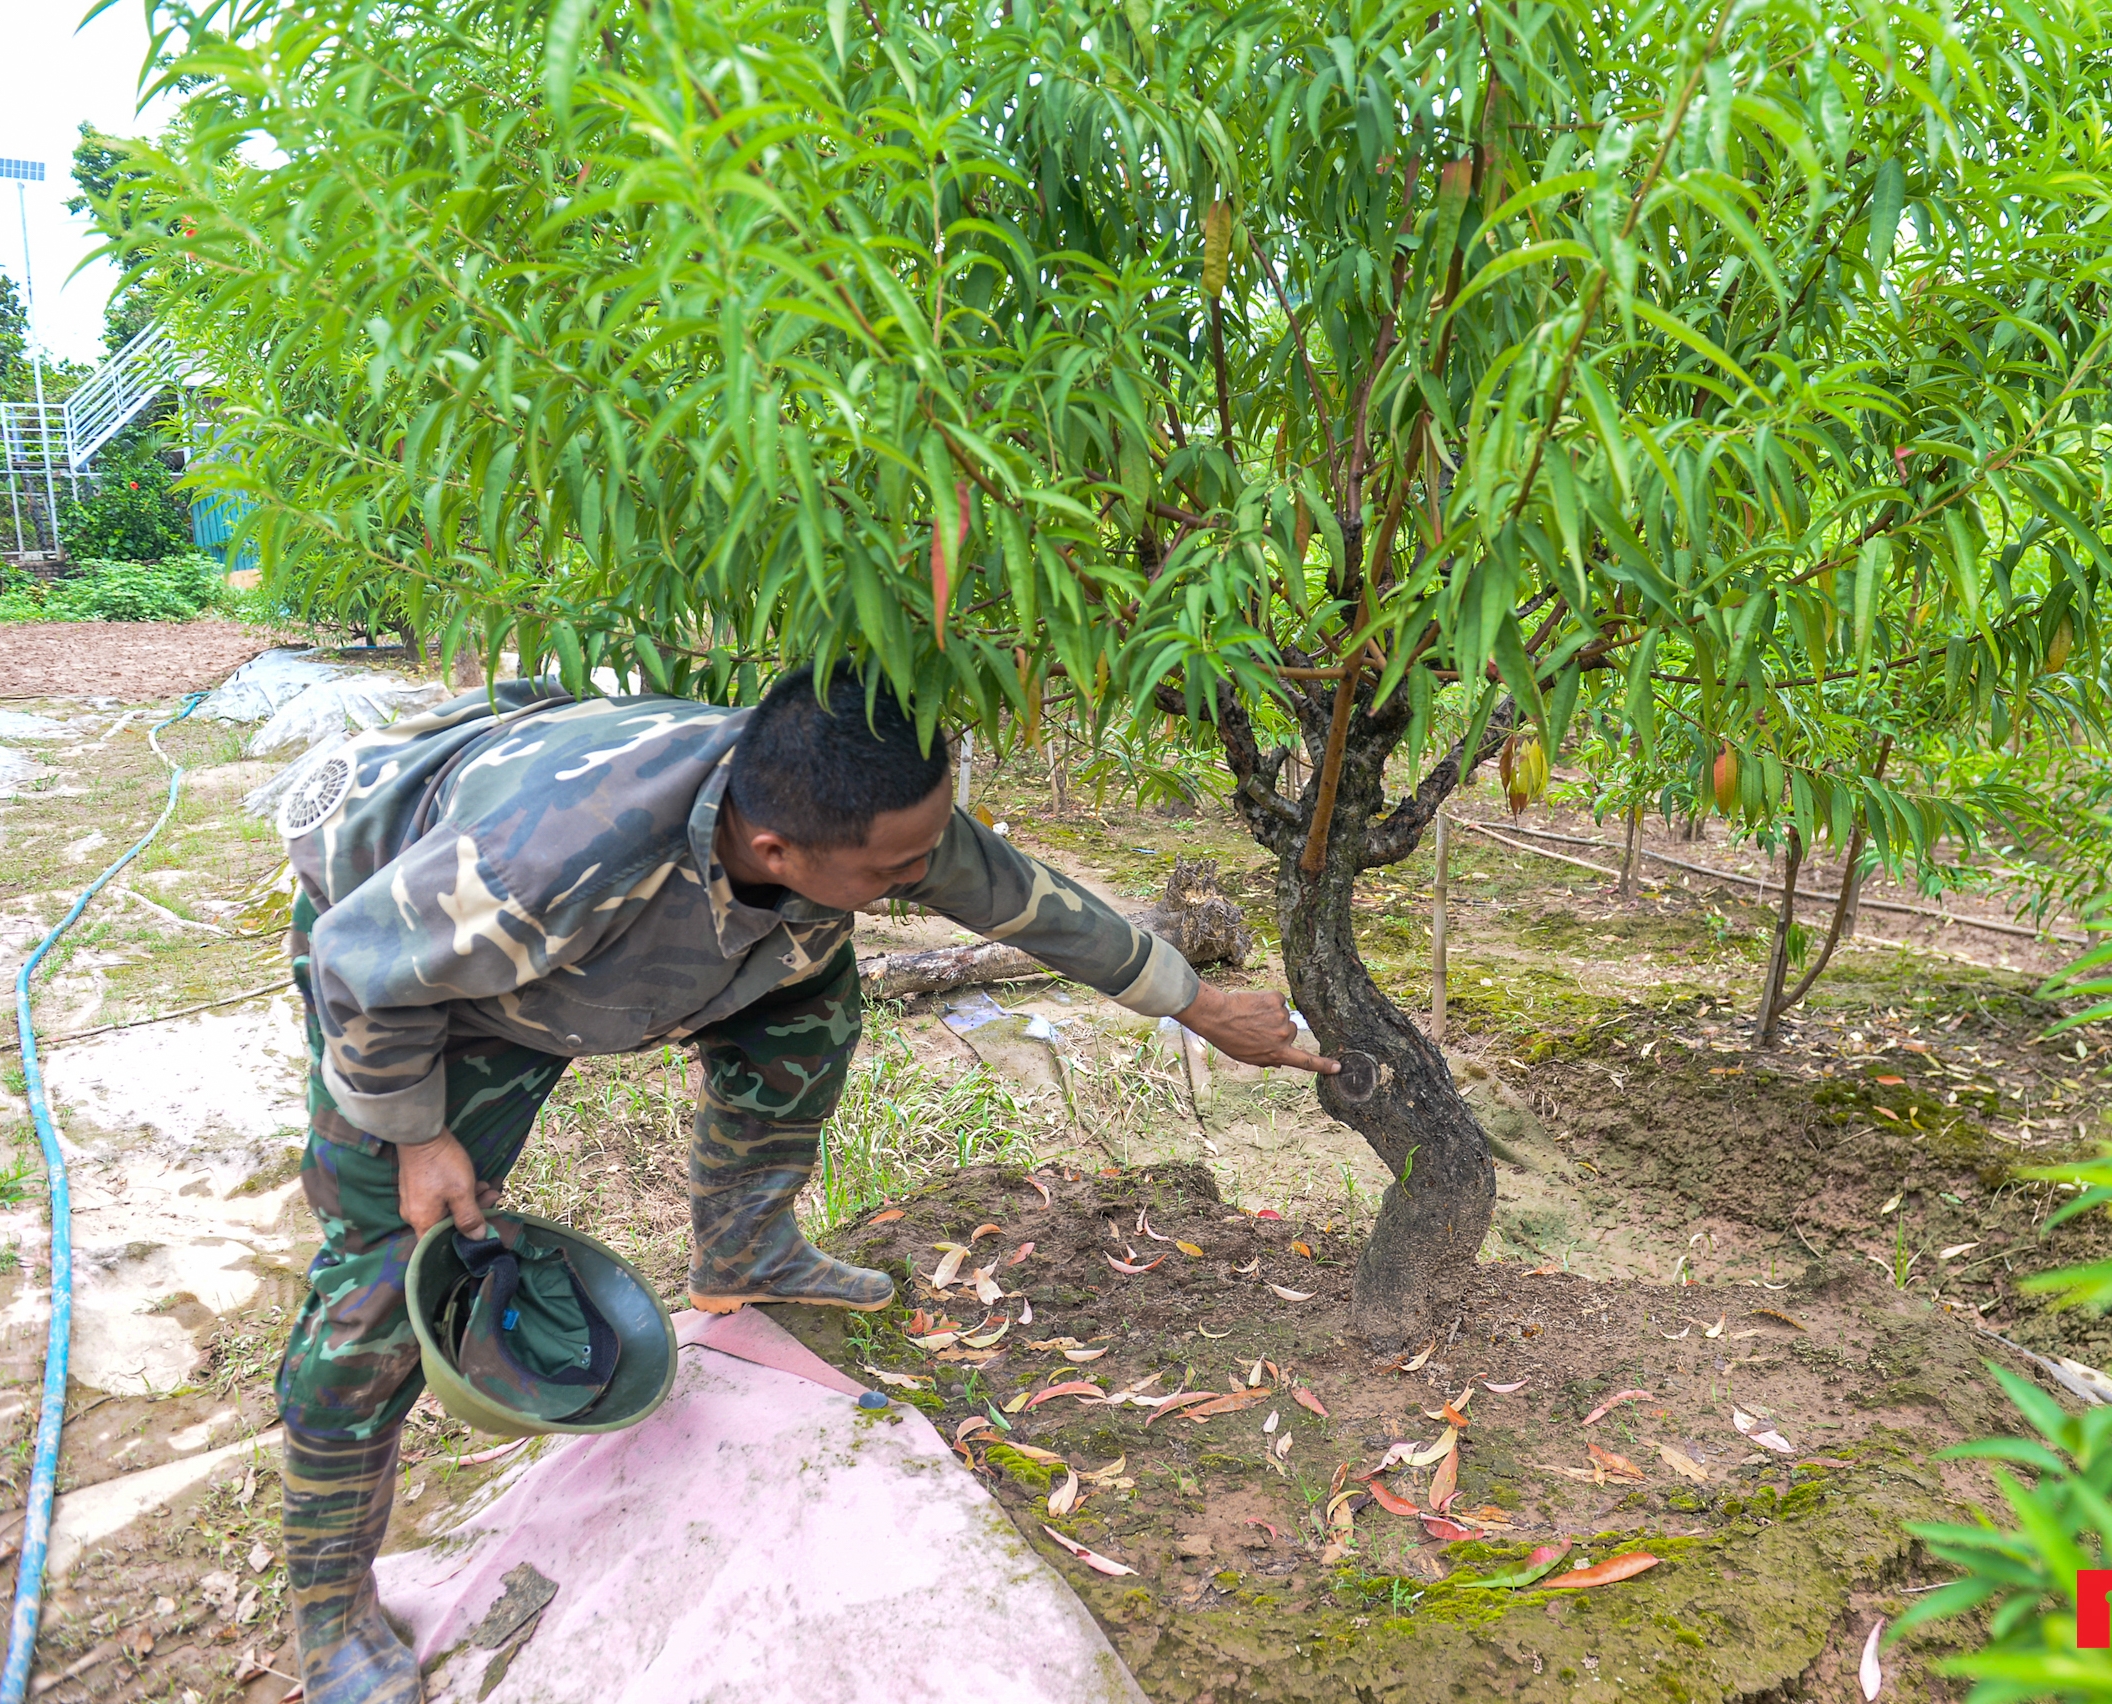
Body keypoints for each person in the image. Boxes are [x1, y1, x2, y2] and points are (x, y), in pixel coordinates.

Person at [271, 662, 1336, 1704]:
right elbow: (357, 962)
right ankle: (332, 1611)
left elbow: (1018, 897)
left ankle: (743, 1245)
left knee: (808, 1006)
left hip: (688, 942)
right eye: (890, 872)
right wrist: (415, 1135)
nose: (917, 881)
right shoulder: (544, 863)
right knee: (376, 1295)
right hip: (430, 992)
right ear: (776, 847)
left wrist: (1193, 1002)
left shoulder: (850, 814)